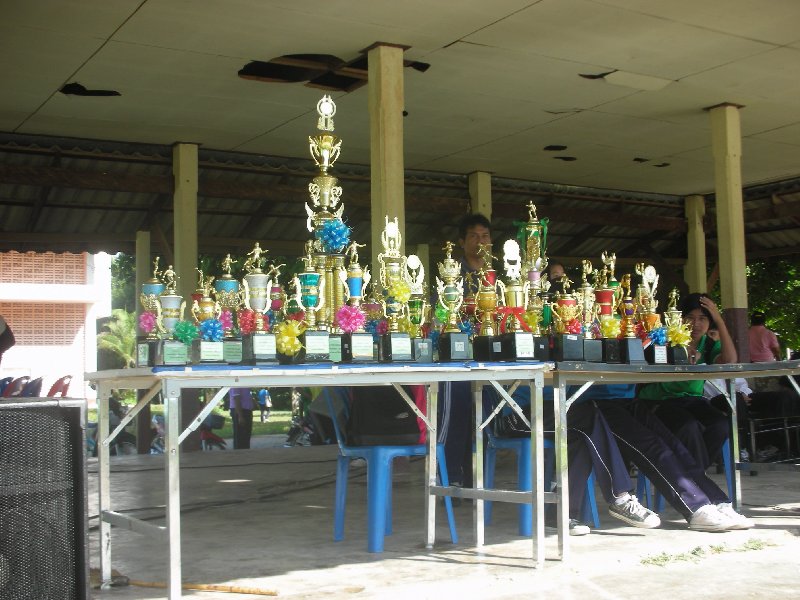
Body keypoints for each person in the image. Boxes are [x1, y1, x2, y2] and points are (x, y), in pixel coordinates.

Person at [637, 293, 734, 469]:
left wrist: (719, 320)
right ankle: (696, 478)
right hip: (658, 401)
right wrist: (678, 354)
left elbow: (730, 361)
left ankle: (693, 475)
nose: (696, 324)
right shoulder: (665, 339)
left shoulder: (709, 344)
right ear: (680, 318)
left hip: (692, 401)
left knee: (721, 425)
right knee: (688, 426)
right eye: (690, 317)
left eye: (702, 318)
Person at [437, 213, 492, 489]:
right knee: (456, 410)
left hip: (490, 354)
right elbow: (440, 315)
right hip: (459, 357)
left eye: (485, 236)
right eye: (473, 236)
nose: (480, 241)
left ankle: (477, 478)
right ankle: (450, 477)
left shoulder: (497, 276)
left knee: (486, 413)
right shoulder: (452, 275)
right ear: (462, 241)